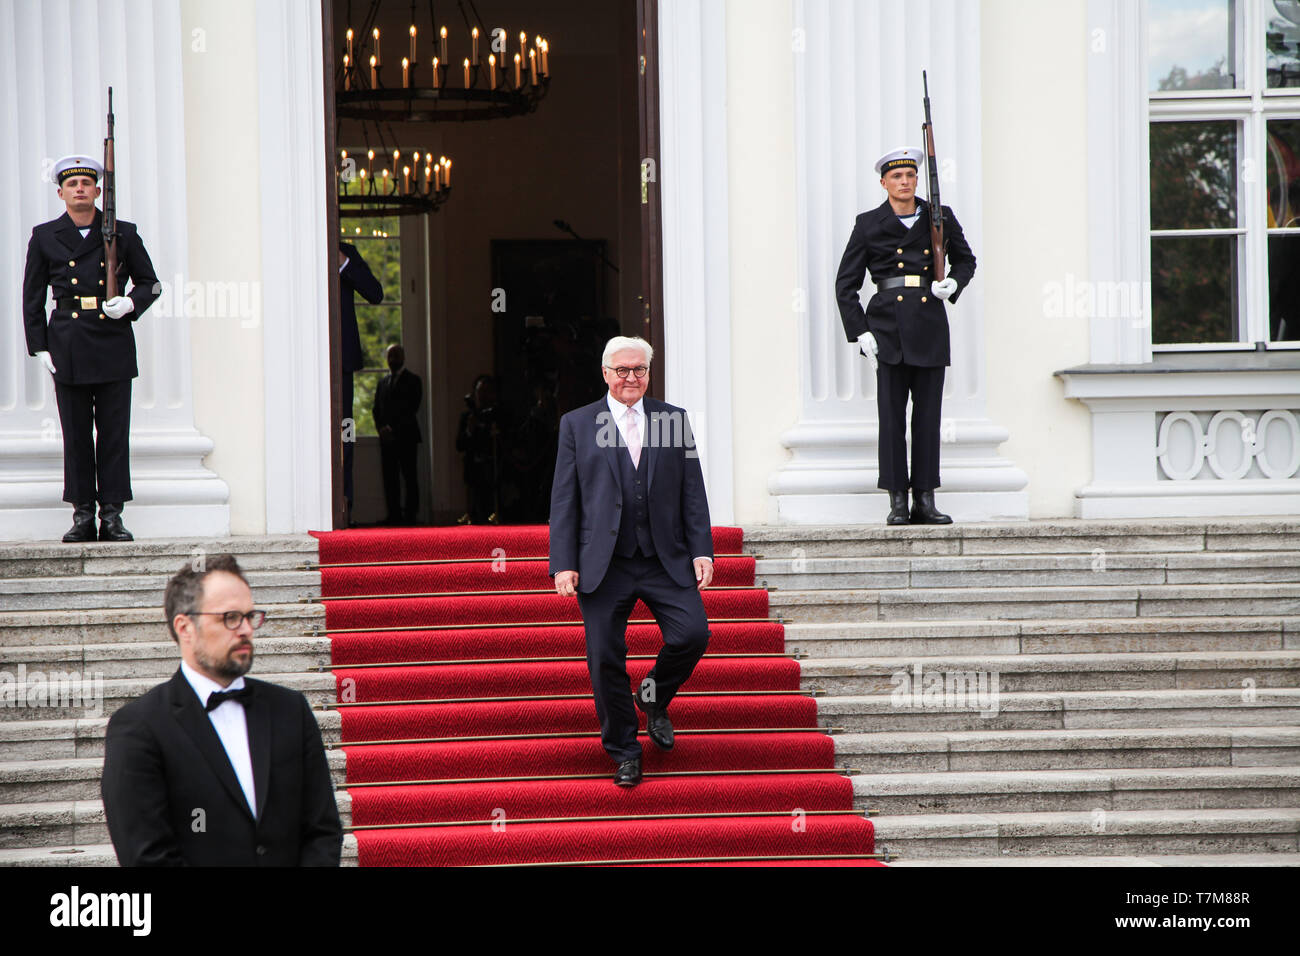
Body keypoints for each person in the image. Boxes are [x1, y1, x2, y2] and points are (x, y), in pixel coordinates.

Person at [100, 554, 342, 866]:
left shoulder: (291, 710)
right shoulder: (137, 728)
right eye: (229, 618)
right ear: (185, 627)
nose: (245, 630)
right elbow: (147, 856)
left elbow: (323, 831)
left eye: (250, 616)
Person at [548, 335, 714, 787]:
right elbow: (565, 499)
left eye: (638, 370)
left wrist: (701, 549)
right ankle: (624, 750)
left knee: (693, 634)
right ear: (605, 373)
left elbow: (692, 492)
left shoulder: (673, 420)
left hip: (665, 557)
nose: (630, 378)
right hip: (604, 563)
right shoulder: (577, 425)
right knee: (604, 658)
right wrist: (563, 562)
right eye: (621, 370)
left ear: (648, 373)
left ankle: (653, 696)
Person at [835, 146, 977, 525]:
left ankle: (925, 499)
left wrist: (953, 282)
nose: (905, 182)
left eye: (910, 176)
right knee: (892, 418)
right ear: (884, 183)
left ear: (918, 179)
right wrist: (860, 331)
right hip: (887, 330)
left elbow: (966, 260)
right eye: (896, 177)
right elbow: (845, 283)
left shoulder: (939, 216)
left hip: (929, 324)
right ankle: (897, 499)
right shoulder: (868, 224)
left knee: (928, 418)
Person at [23, 154, 160, 542]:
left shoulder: (124, 232)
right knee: (77, 433)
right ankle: (83, 514)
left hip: (112, 340)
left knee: (114, 433)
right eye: (72, 184)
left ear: (99, 191)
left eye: (86, 183)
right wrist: (39, 346)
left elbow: (151, 283)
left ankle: (112, 514)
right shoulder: (45, 236)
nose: (80, 189)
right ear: (61, 193)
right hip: (67, 343)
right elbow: (31, 297)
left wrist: (131, 304)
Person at [338, 242, 384, 523]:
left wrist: (343, 262)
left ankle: (345, 509)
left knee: (345, 437)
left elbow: (375, 293)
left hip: (341, 363)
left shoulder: (347, 253)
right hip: (302, 362)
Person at [372, 343, 422, 525]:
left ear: (403, 358)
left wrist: (393, 428)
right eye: (390, 356)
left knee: (409, 477)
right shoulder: (382, 383)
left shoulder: (414, 380)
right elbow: (376, 409)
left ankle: (410, 516)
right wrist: (381, 428)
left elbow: (412, 408)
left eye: (396, 355)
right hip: (386, 440)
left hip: (406, 436)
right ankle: (393, 515)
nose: (392, 359)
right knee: (390, 478)